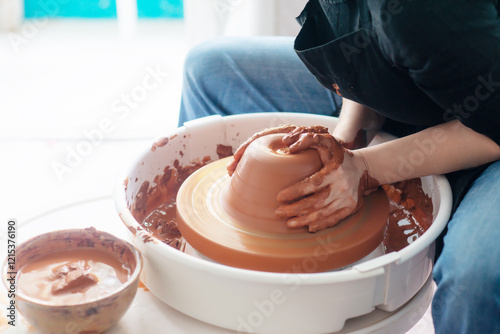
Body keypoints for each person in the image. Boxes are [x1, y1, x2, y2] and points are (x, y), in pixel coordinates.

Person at [178, 1, 500, 333]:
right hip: (425, 85)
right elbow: (366, 42)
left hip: (489, 131)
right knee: (208, 70)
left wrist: (365, 169)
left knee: (477, 282)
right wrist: (343, 142)